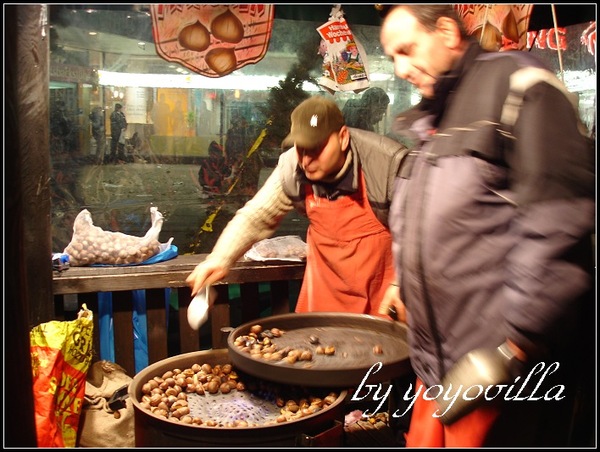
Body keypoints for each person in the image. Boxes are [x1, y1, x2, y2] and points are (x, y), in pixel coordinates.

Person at [379, 5, 595, 447]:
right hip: (437, 367)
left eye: (406, 50)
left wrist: (516, 347)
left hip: (498, 375)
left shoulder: (518, 85)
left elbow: (557, 222)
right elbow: (440, 216)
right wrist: (405, 283)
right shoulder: (434, 116)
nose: (400, 68)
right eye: (392, 58)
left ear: (446, 31)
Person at [187, 95, 409, 318]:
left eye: (316, 148)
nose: (306, 160)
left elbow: (426, 234)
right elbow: (257, 216)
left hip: (382, 298)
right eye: (301, 148)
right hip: (324, 297)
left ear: (342, 138)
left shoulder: (388, 165)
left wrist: (403, 284)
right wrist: (220, 258)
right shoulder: (293, 165)